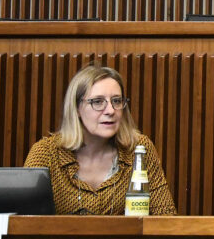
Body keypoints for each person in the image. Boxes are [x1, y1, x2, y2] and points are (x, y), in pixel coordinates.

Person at [24, 65, 176, 215]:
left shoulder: (139, 149)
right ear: (76, 108)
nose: (110, 111)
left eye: (116, 101)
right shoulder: (46, 153)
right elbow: (23, 220)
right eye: (97, 102)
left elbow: (165, 217)